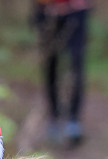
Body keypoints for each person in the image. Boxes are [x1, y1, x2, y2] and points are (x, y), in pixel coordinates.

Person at [33, 0, 92, 148]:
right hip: (47, 12)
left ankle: (73, 120)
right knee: (50, 67)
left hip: (76, 12)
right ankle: (54, 117)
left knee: (76, 66)